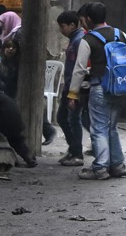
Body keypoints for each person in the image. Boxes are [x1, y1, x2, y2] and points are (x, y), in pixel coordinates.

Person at [68, 2, 126, 180]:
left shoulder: (88, 39)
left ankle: (100, 168)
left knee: (99, 129)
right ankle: (117, 165)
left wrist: (72, 93)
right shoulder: (121, 34)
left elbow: (80, 69)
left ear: (88, 19)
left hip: (99, 88)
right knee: (112, 128)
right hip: (119, 88)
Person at [0, 38, 58, 145]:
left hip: (18, 92)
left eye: (14, 47)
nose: (11, 49)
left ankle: (48, 131)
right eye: (8, 47)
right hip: (1, 94)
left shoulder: (20, 63)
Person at [56, 11, 86, 166]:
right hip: (70, 86)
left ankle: (77, 153)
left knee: (73, 119)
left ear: (72, 25)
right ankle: (73, 149)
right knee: (63, 117)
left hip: (74, 87)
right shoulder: (75, 39)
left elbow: (77, 68)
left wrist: (73, 92)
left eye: (63, 27)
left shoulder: (78, 41)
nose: (61, 30)